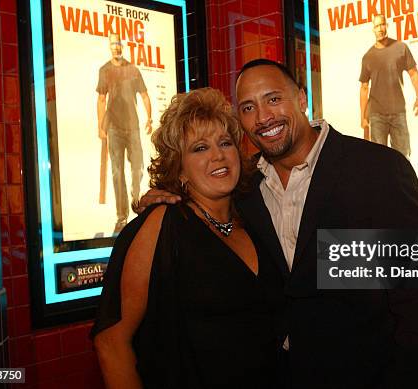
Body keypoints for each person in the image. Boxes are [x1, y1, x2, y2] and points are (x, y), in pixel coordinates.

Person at [139, 59, 418, 388]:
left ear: (302, 98)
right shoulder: (245, 187)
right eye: (248, 107)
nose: (263, 117)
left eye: (273, 99)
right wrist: (164, 195)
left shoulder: (377, 169)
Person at [91, 88, 285, 388]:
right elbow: (111, 342)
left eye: (225, 143)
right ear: (178, 168)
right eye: (199, 148)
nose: (218, 155)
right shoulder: (162, 224)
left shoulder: (255, 217)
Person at [97, 33, 153, 233]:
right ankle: (122, 217)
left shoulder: (132, 70)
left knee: (137, 168)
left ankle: (136, 203)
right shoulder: (104, 70)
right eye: (113, 45)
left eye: (118, 45)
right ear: (110, 47)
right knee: (117, 172)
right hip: (114, 127)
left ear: (122, 46)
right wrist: (100, 126)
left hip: (133, 126)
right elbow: (101, 99)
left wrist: (149, 118)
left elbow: (144, 95)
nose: (116, 48)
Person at [359, 14, 418, 157]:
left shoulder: (401, 47)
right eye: (376, 26)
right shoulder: (368, 57)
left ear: (386, 25)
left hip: (398, 112)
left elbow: (414, 73)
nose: (380, 29)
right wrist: (363, 118)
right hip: (376, 116)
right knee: (379, 160)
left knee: (403, 158)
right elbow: (364, 88)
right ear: (373, 29)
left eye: (382, 24)